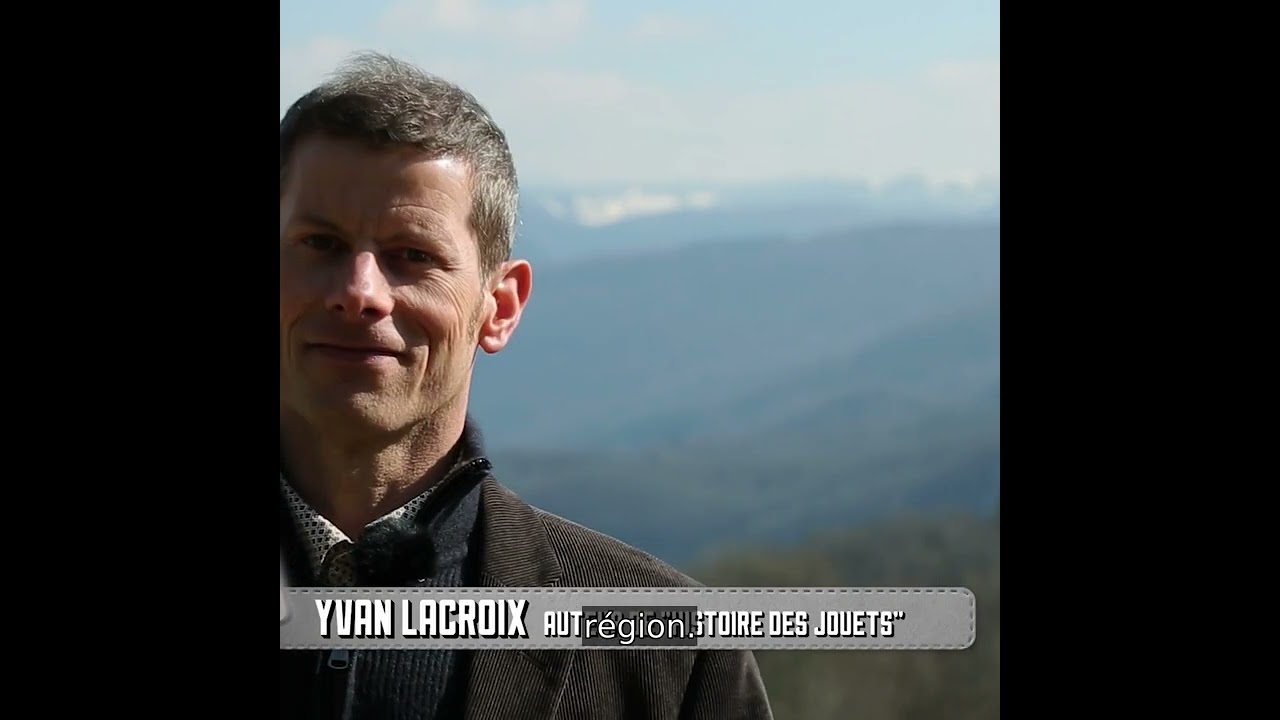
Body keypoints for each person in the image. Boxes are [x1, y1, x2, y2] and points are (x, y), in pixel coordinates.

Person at [278, 52, 774, 720]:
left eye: (413, 256)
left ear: (500, 306)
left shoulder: (670, 659)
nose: (359, 293)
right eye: (319, 244)